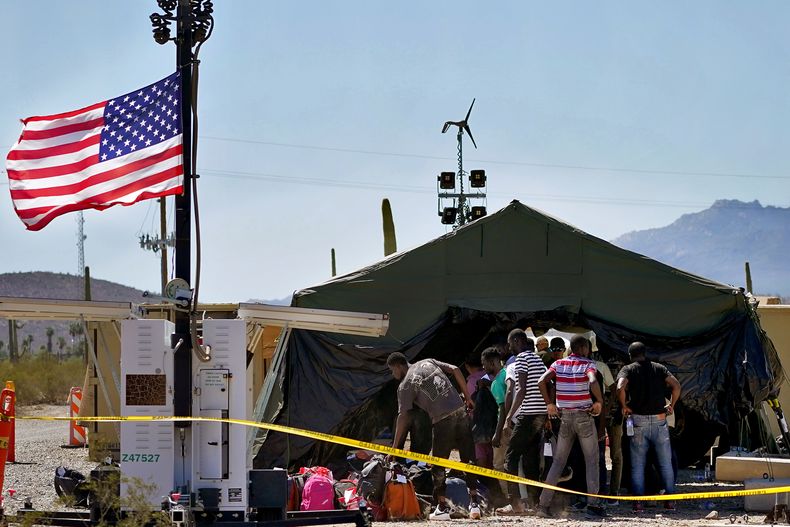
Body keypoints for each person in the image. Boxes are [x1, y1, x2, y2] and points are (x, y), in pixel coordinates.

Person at [387, 352, 481, 520]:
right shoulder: (428, 361)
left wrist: (394, 448)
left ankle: (442, 508)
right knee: (468, 460)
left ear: (398, 366)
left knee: (438, 465)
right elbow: (455, 370)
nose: (393, 374)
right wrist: (467, 397)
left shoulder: (405, 385)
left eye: (392, 370)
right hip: (461, 412)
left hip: (442, 420)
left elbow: (403, 417)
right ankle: (475, 504)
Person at [536, 335, 606, 518]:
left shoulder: (559, 364)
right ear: (583, 348)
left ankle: (543, 506)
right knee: (592, 460)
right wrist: (599, 401)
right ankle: (593, 505)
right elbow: (592, 380)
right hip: (584, 417)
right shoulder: (588, 364)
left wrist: (549, 404)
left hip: (565, 418)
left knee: (558, 462)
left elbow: (541, 381)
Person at [616, 341, 682, 512]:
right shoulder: (659, 368)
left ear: (630, 355)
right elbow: (676, 385)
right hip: (660, 421)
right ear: (645, 353)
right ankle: (670, 501)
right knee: (665, 463)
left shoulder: (628, 369)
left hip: (638, 421)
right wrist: (672, 405)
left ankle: (638, 503)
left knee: (637, 464)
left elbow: (620, 387)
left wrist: (624, 406)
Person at [496, 329, 547, 514]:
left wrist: (509, 416)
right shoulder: (538, 359)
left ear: (517, 341)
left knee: (511, 457)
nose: (509, 348)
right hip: (540, 415)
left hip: (527, 414)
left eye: (510, 344)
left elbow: (520, 390)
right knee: (531, 459)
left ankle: (515, 503)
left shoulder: (522, 359)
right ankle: (535, 503)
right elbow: (547, 384)